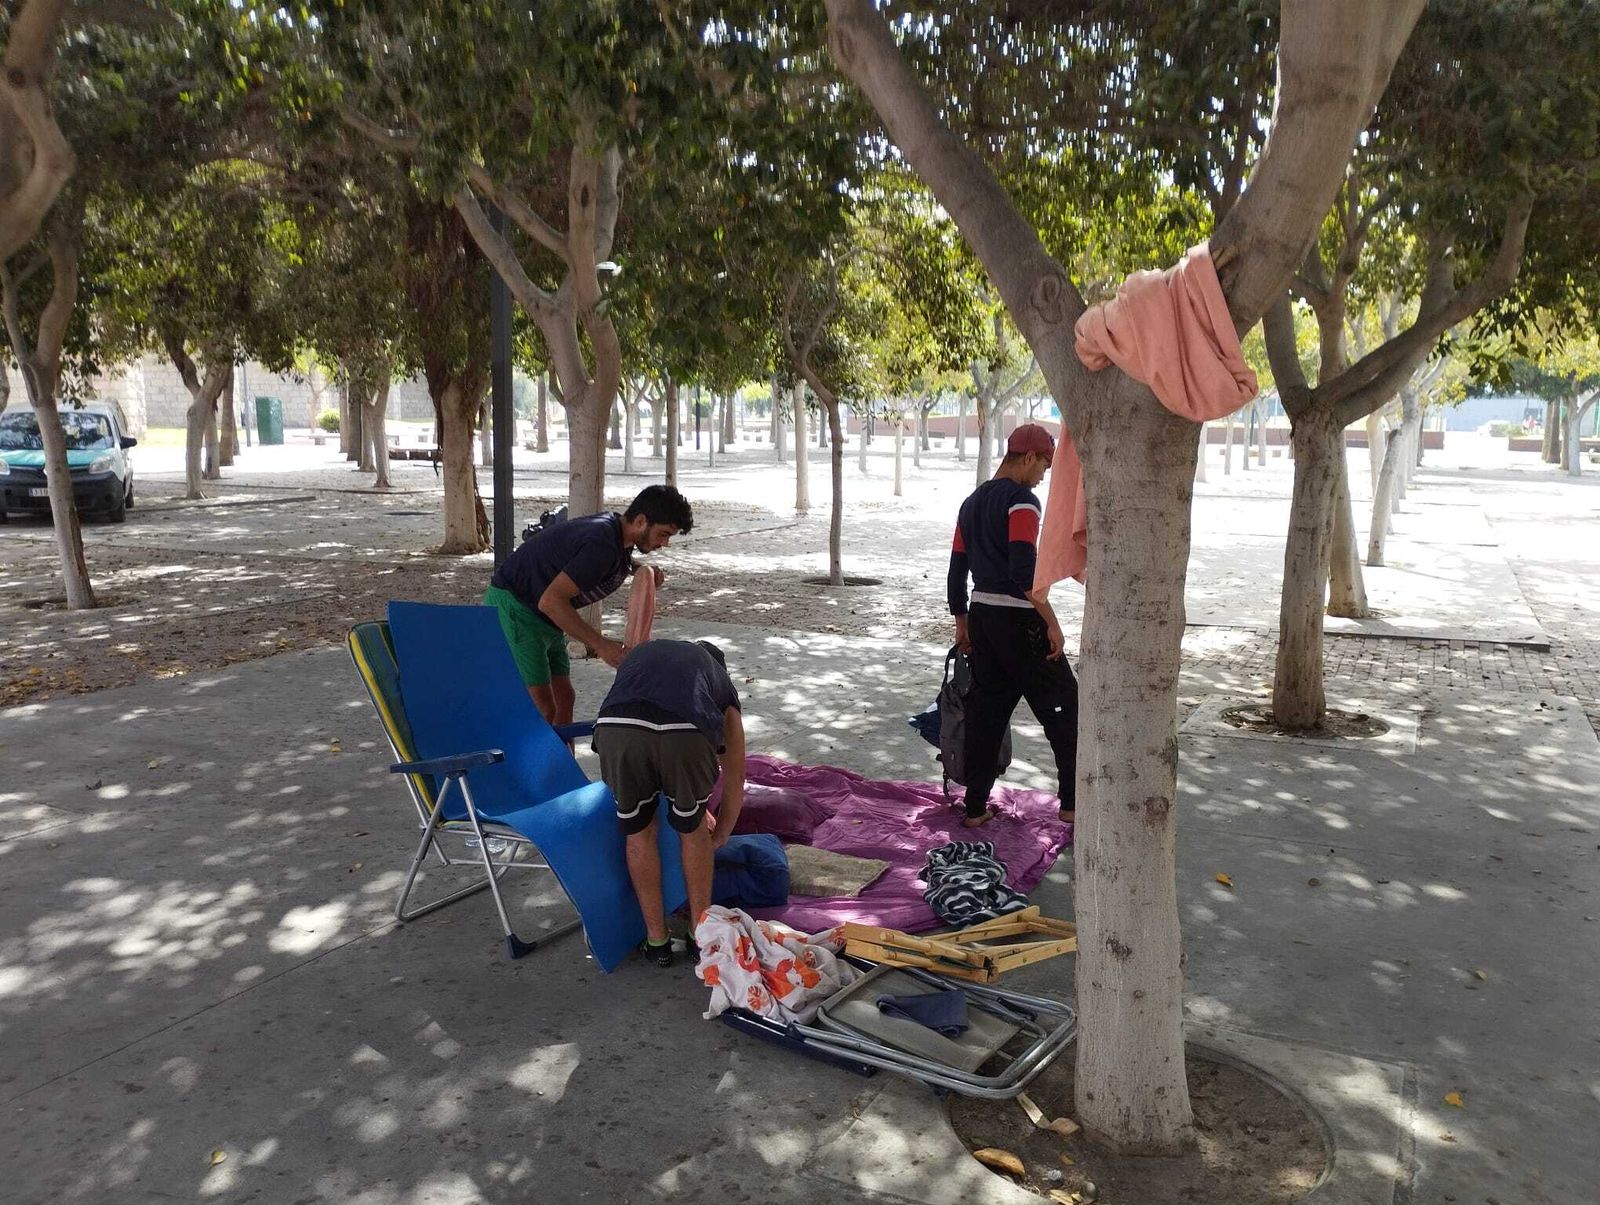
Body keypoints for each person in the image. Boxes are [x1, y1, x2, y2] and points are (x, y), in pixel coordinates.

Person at [947, 423, 1078, 829]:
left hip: (983, 617)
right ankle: (1072, 803)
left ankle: (974, 808)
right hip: (1018, 620)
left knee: (987, 713)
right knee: (1065, 708)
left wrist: (961, 623)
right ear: (1027, 458)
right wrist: (1051, 623)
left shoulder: (971, 503)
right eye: (1043, 465)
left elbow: (956, 571)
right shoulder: (1022, 502)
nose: (1044, 474)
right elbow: (1025, 573)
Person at [592, 638, 745, 968]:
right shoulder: (722, 686)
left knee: (640, 832)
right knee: (691, 833)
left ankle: (657, 940)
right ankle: (699, 937)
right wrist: (718, 837)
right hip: (686, 733)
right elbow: (735, 779)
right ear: (721, 669)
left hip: (618, 729)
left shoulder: (648, 654)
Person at [484, 484, 693, 725]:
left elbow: (594, 560)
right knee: (542, 706)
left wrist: (641, 571)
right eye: (664, 534)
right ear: (641, 521)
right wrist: (601, 645)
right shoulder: (601, 543)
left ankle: (563, 762)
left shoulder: (617, 536)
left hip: (545, 618)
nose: (665, 543)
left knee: (564, 699)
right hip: (517, 608)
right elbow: (551, 601)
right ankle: (523, 761)